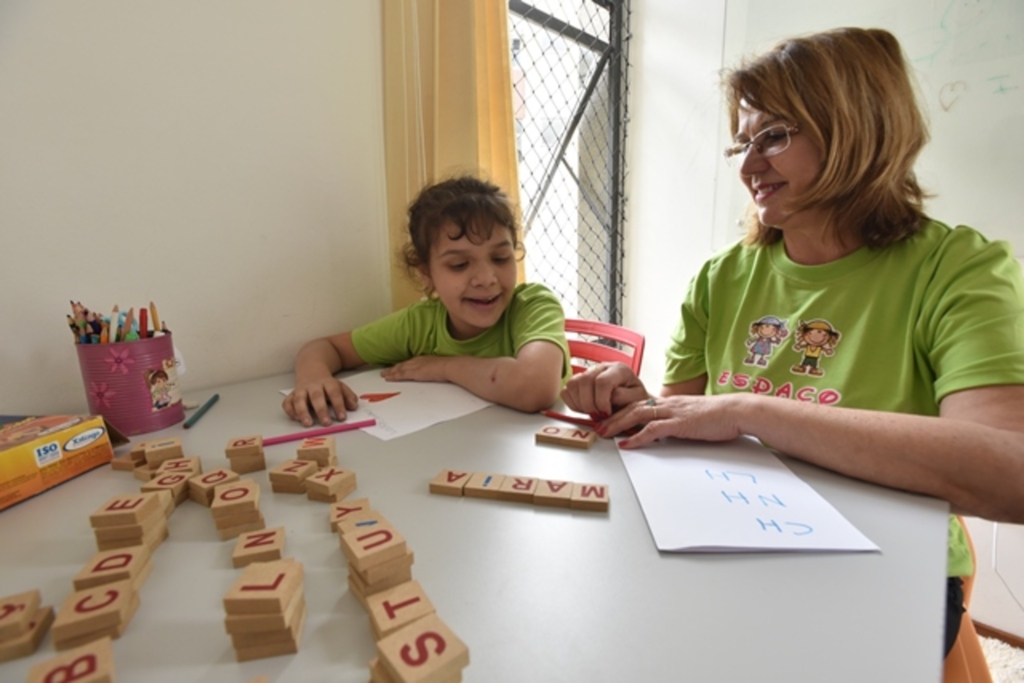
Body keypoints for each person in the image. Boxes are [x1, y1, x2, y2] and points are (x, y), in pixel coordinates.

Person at [560, 27, 1024, 658]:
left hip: (887, 569)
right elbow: (683, 419)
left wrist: (749, 410)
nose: (749, 165)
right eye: (743, 143)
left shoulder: (957, 267)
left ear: (857, 127)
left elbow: (1010, 472)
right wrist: (636, 402)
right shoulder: (721, 276)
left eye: (774, 136)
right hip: (729, 539)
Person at [283, 175, 571, 428]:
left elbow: (533, 388)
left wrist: (444, 367)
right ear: (426, 274)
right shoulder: (421, 323)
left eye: (500, 258)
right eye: (459, 264)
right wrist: (312, 379)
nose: (486, 278)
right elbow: (325, 348)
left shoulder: (533, 305)